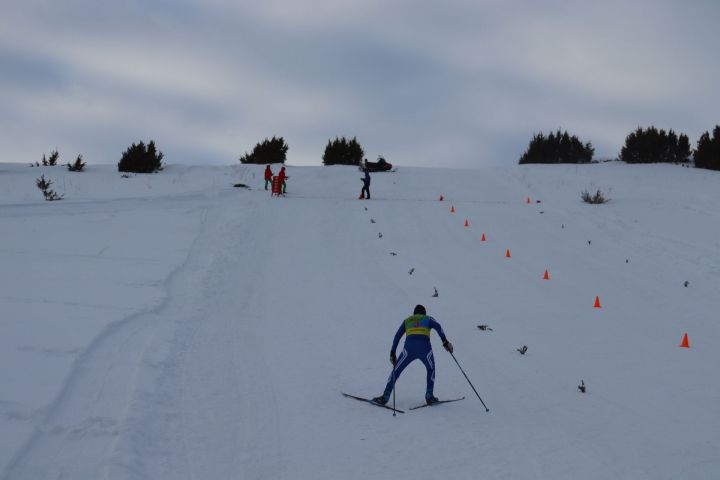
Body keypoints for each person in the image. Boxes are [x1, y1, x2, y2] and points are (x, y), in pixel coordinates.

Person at [373, 305, 453, 405]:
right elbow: (438, 326)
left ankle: (385, 396)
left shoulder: (407, 320)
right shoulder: (428, 318)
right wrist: (445, 342)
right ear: (424, 313)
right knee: (430, 369)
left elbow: (397, 336)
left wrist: (392, 353)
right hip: (425, 349)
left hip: (409, 350)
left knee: (396, 371)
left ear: (414, 313)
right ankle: (429, 396)